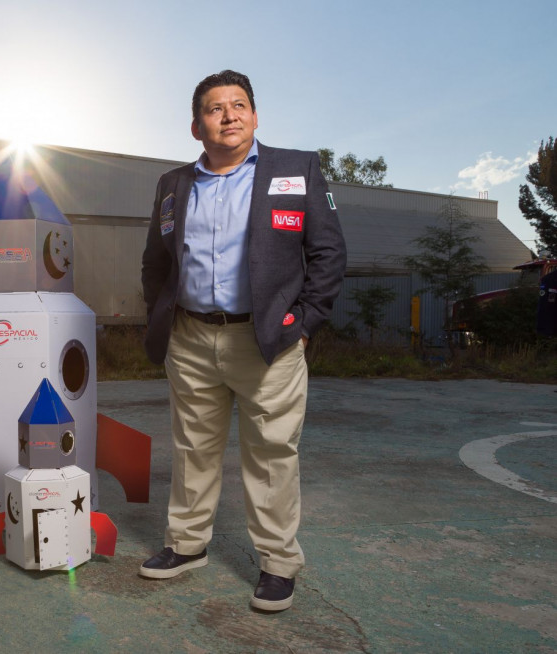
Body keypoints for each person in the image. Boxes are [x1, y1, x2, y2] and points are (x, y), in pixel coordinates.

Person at [139, 69, 347, 612]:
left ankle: (278, 564)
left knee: (273, 454)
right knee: (193, 449)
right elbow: (155, 262)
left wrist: (302, 323)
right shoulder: (173, 184)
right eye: (215, 108)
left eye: (239, 105)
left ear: (255, 116)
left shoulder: (295, 169)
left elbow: (328, 254)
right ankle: (186, 546)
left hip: (268, 341)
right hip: (190, 338)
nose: (229, 115)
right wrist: (160, 314)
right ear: (195, 126)